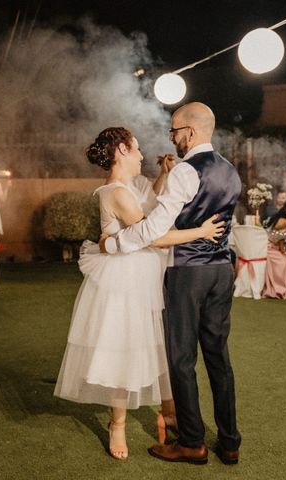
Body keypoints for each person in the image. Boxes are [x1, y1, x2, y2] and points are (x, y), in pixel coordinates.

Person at [54, 126, 224, 461]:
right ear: (120, 151)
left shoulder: (130, 186)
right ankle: (117, 423)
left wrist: (162, 177)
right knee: (125, 348)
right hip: (125, 281)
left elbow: (148, 203)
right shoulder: (115, 192)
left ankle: (170, 411)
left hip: (144, 276)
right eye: (136, 149)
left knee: (154, 343)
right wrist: (200, 232)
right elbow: (152, 235)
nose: (143, 155)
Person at [101, 103, 242, 465]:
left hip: (187, 271)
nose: (172, 138)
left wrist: (114, 243)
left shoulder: (185, 171)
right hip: (222, 271)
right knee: (218, 357)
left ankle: (192, 443)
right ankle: (229, 442)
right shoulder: (231, 171)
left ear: (190, 133)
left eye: (174, 131)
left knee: (181, 359)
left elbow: (154, 229)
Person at [262, 199, 286, 299]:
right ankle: (278, 288)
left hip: (276, 247)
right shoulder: (281, 220)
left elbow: (281, 239)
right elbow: (278, 227)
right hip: (267, 247)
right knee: (282, 262)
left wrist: (283, 250)